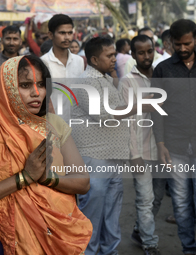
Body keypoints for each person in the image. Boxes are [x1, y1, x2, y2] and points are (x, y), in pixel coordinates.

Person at [0, 55, 92, 254]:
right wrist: (24, 178)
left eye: (40, 84)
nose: (36, 93)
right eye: (26, 85)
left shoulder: (54, 125)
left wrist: (47, 178)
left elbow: (82, 182)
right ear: (6, 88)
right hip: (1, 229)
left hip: (54, 227)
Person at [72, 37, 157, 255]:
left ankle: (110, 251)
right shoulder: (86, 81)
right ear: (93, 59)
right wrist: (139, 105)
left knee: (111, 213)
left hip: (113, 157)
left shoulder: (106, 79)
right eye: (109, 55)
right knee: (92, 213)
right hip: (95, 157)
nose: (114, 59)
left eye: (113, 54)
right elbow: (104, 115)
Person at [151, 19, 196, 255]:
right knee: (180, 203)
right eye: (177, 44)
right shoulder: (163, 69)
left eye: (187, 43)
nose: (182, 48)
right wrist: (160, 143)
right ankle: (189, 249)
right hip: (174, 146)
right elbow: (156, 110)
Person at [119, 35, 165, 255]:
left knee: (157, 197)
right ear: (133, 55)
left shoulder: (162, 74)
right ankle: (150, 243)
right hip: (141, 150)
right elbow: (126, 122)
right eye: (141, 52)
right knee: (145, 199)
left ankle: (139, 231)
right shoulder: (127, 81)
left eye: (149, 51)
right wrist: (133, 154)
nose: (146, 56)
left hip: (163, 149)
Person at [41, 14, 85, 123]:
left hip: (77, 123)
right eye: (62, 33)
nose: (67, 37)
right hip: (53, 124)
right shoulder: (43, 62)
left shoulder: (79, 61)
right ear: (51, 35)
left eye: (70, 33)